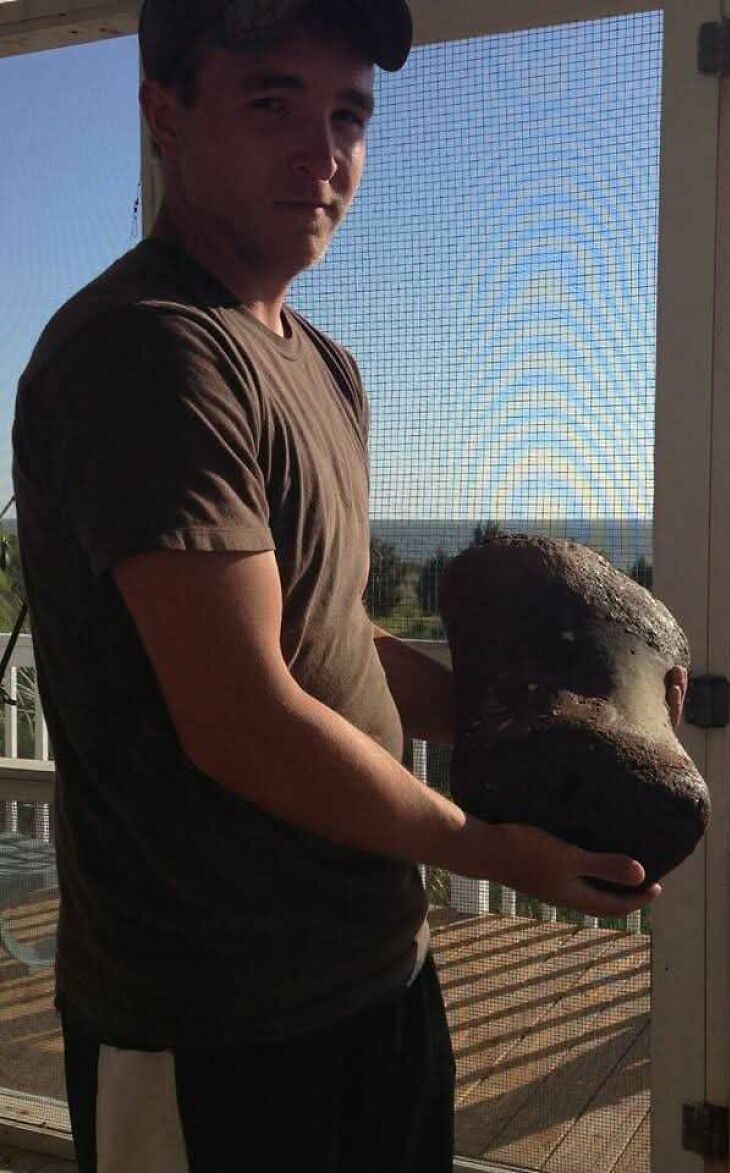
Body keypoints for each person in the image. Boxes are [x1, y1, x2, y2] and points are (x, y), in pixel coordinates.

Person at [12, 2, 685, 1169]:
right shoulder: (148, 350)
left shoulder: (320, 366)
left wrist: (568, 715)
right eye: (272, 102)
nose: (322, 154)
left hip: (373, 973)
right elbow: (240, 719)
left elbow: (329, 640)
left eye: (348, 115)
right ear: (162, 116)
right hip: (215, 1014)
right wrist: (493, 850)